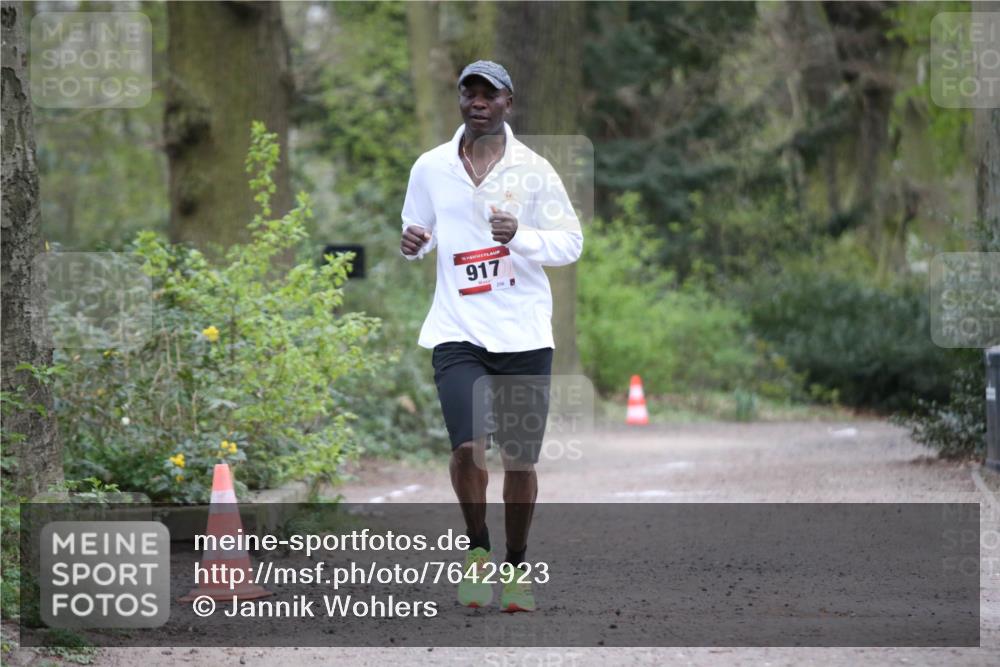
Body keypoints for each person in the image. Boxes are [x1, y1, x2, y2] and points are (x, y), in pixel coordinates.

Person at [400, 60, 583, 612]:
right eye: (468, 93)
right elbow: (418, 230)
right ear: (460, 100)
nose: (477, 102)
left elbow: (570, 243)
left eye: (489, 94)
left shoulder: (535, 169)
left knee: (520, 461)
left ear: (509, 103)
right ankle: (477, 551)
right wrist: (413, 242)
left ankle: (517, 565)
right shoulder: (430, 167)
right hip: (458, 330)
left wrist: (521, 236)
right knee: (466, 448)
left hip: (523, 332)